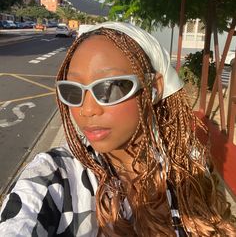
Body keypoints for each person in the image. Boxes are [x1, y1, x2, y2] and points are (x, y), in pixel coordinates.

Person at [0, 21, 235, 236]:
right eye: (73, 91)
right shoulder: (53, 176)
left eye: (110, 87)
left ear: (153, 88)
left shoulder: (187, 164)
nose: (86, 110)